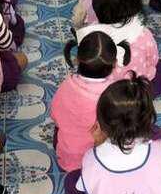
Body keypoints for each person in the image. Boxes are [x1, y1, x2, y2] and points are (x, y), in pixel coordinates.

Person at [78, 0, 161, 97]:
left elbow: (87, 59)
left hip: (104, 92)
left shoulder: (92, 32)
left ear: (97, 10)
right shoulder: (143, 33)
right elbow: (153, 59)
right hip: (135, 91)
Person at [51, 32, 125, 171]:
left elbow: (55, 116)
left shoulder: (66, 85)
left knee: (59, 129)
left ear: (77, 60)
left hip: (67, 157)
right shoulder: (114, 95)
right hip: (100, 163)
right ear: (115, 63)